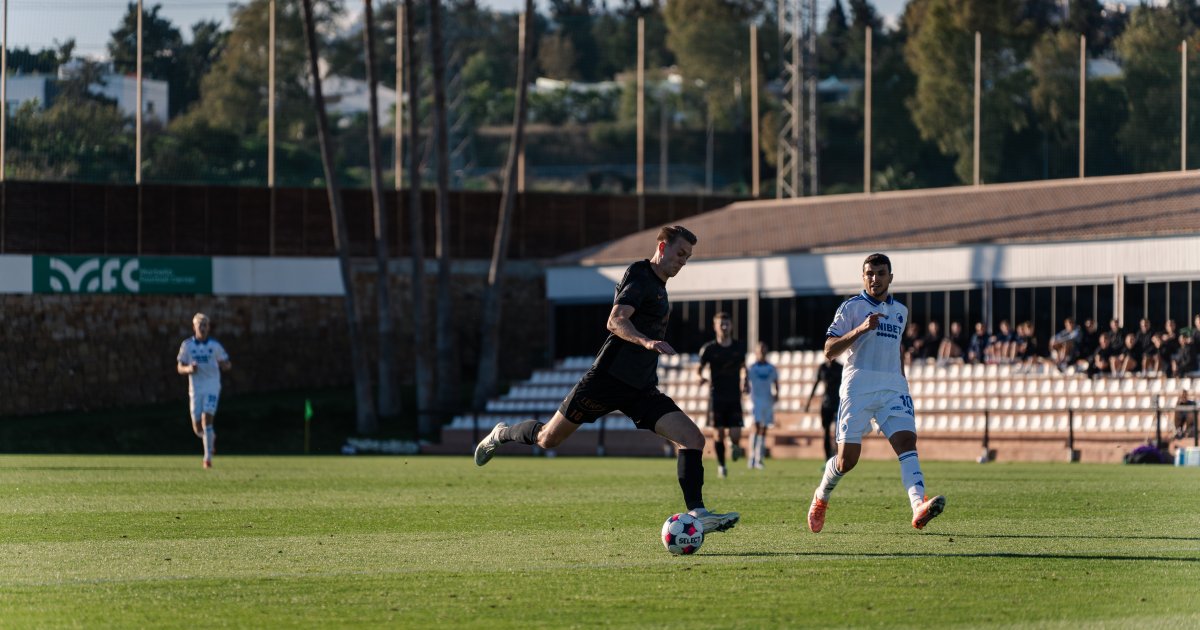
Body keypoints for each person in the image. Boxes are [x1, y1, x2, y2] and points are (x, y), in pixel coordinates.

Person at [473, 226, 739, 534]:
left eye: (688, 257)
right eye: (680, 253)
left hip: (640, 389)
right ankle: (501, 434)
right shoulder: (640, 274)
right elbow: (615, 321)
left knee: (693, 439)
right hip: (607, 380)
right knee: (548, 439)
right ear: (662, 247)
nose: (683, 261)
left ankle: (698, 512)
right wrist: (647, 342)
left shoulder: (660, 287)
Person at [807, 253, 946, 534]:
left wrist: (902, 382)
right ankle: (821, 496)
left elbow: (896, 349)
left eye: (881, 273)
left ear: (890, 277)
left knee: (906, 442)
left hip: (893, 388)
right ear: (863, 277)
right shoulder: (851, 307)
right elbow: (829, 350)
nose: (875, 279)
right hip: (858, 389)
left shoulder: (900, 311)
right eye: (870, 274)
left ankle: (918, 506)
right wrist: (860, 329)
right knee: (847, 461)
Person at [176, 312, 232, 469]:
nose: (202, 328)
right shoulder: (187, 345)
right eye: (199, 325)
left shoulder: (215, 346)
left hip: (212, 386)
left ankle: (207, 458)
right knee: (197, 428)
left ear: (208, 328)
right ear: (194, 327)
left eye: (205, 325)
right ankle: (210, 437)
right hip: (195, 388)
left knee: (206, 418)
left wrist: (225, 365)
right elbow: (179, 367)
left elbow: (227, 363)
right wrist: (188, 369)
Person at [697, 312, 748, 479]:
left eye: (727, 324)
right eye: (721, 324)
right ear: (715, 327)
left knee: (736, 435)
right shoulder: (709, 349)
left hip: (734, 396)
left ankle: (734, 445)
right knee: (718, 434)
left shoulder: (739, 347)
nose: (724, 327)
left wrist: (744, 380)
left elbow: (743, 367)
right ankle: (721, 466)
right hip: (716, 396)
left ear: (731, 326)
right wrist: (700, 377)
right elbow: (699, 369)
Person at [743, 341, 779, 470]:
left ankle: (759, 459)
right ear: (756, 352)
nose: (762, 352)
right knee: (756, 427)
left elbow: (775, 382)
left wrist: (777, 394)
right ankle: (752, 458)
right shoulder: (752, 368)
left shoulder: (771, 368)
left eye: (764, 350)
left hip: (767, 400)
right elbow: (745, 382)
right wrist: (745, 390)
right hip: (755, 400)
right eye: (760, 350)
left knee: (764, 429)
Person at [805, 355, 844, 461]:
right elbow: (816, 384)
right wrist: (809, 402)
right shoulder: (822, 367)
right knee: (826, 432)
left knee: (837, 432)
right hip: (826, 404)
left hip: (838, 403)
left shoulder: (840, 367)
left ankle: (837, 456)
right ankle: (827, 458)